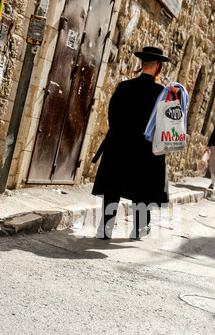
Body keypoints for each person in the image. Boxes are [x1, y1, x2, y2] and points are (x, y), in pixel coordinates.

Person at [92, 46, 172, 239]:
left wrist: (122, 133)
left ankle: (105, 229)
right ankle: (139, 230)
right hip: (145, 149)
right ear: (158, 66)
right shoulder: (162, 93)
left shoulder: (124, 87)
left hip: (118, 145)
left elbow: (112, 116)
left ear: (142, 64)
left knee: (112, 188)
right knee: (142, 190)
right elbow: (166, 123)